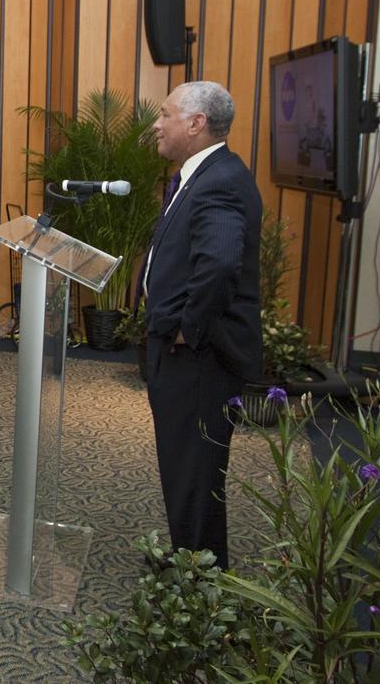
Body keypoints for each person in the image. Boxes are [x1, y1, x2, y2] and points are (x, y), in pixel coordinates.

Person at [144, 80, 262, 569]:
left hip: (198, 356)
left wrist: (185, 329)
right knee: (187, 465)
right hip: (188, 352)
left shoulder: (218, 180)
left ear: (196, 124)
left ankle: (198, 583)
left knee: (194, 467)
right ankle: (194, 562)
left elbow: (219, 265)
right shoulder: (201, 173)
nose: (157, 123)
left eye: (166, 114)